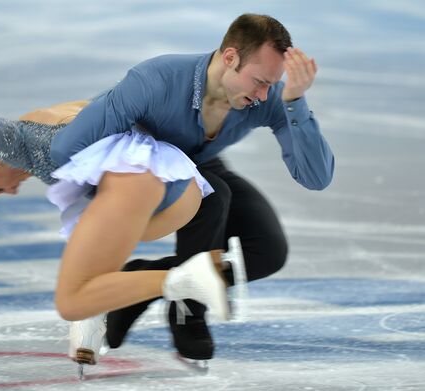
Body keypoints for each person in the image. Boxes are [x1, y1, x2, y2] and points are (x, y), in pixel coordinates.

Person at [0, 36, 246, 369]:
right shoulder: (49, 117)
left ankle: (170, 284)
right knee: (89, 238)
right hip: (181, 186)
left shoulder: (15, 142)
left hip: (140, 181)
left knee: (76, 286)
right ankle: (98, 310)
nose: (11, 192)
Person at [44, 13, 335, 363]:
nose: (262, 95)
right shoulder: (156, 80)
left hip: (202, 166)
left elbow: (314, 177)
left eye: (271, 85)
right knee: (214, 198)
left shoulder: (268, 97)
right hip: (150, 173)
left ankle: (136, 283)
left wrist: (294, 102)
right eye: (259, 81)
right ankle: (187, 311)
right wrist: (116, 201)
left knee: (267, 251)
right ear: (230, 57)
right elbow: (68, 148)